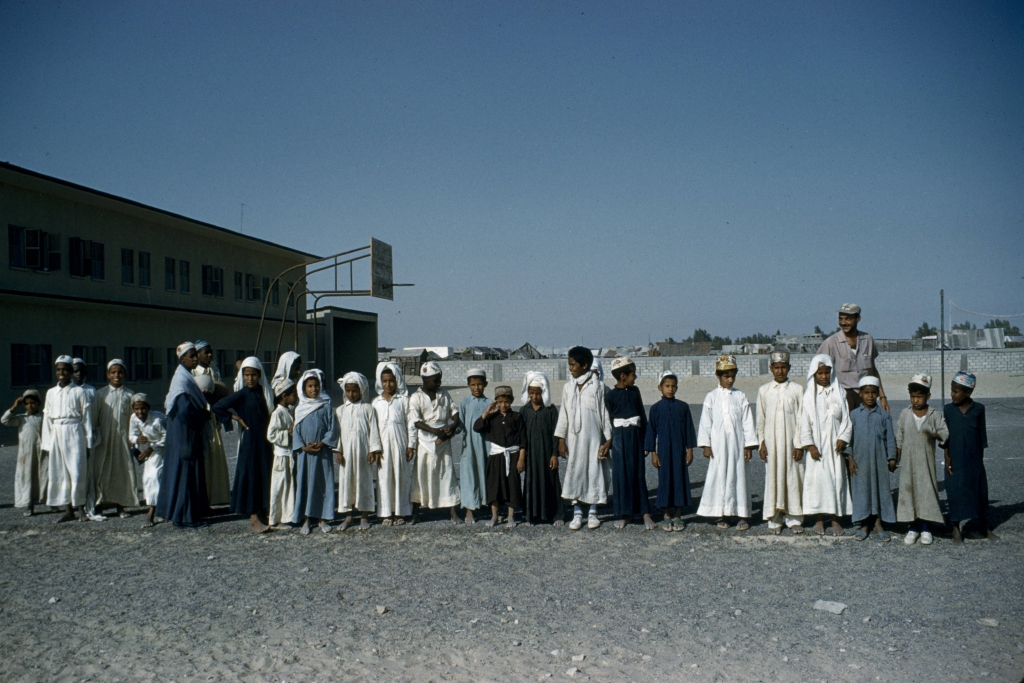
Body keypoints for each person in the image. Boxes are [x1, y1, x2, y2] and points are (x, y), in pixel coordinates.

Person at [696, 355, 757, 530]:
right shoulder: (711, 397)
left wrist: (748, 445)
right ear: (718, 376)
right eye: (726, 376)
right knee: (720, 476)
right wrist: (706, 445)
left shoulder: (740, 396)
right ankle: (722, 514)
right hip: (718, 446)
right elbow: (706, 421)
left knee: (739, 476)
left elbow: (747, 421)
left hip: (738, 445)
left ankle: (742, 514)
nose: (729, 380)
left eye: (732, 376)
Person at [214, 357, 274, 533]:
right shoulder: (241, 394)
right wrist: (236, 418)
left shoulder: (264, 392)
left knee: (263, 475)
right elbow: (219, 406)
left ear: (259, 375)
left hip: (264, 442)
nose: (250, 379)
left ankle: (263, 513)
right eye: (246, 375)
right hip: (249, 443)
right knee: (251, 477)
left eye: (253, 375)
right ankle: (253, 518)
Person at [555, 346, 612, 531]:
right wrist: (561, 439)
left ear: (585, 365)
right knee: (576, 472)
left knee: (594, 472)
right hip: (573, 440)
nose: (570, 368)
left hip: (594, 438)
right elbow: (563, 413)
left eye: (573, 365)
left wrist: (608, 440)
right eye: (569, 365)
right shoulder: (567, 387)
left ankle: (593, 512)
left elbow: (604, 414)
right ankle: (577, 512)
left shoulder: (599, 387)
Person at [157, 343, 211, 528]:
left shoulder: (184, 377)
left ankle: (185, 514)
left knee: (184, 473)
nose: (195, 358)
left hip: (184, 432)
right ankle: (185, 517)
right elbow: (185, 411)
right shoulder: (181, 381)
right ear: (182, 359)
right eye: (191, 355)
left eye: (196, 354)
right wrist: (203, 415)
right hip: (184, 433)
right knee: (185, 473)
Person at [799, 354, 852, 536]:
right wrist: (810, 445)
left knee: (837, 480)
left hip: (835, 447)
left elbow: (846, 420)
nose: (823, 376)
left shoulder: (840, 392)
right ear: (814, 374)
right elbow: (804, 423)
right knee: (818, 483)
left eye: (826, 372)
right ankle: (819, 519)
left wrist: (843, 438)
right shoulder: (808, 397)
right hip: (818, 449)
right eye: (819, 373)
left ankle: (836, 519)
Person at [894, 374, 948, 546]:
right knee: (909, 493)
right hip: (908, 464)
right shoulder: (905, 414)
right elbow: (899, 437)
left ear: (928, 396)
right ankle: (913, 527)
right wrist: (896, 457)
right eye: (913, 396)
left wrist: (935, 435)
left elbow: (944, 433)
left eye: (919, 396)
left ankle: (925, 527)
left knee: (926, 492)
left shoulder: (933, 415)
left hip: (926, 463)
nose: (916, 400)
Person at [756, 349, 805, 535]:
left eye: (783, 367)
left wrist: (799, 443)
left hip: (792, 443)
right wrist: (761, 442)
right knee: (774, 476)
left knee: (793, 477)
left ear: (789, 368)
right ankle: (775, 518)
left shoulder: (797, 390)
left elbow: (801, 419)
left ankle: (794, 518)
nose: (780, 371)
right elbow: (760, 419)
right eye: (776, 367)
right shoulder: (764, 390)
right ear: (771, 368)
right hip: (772, 443)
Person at [943, 372, 995, 544]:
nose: (952, 394)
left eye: (956, 391)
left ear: (968, 393)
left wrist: (979, 462)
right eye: (952, 390)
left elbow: (982, 436)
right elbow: (945, 437)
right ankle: (956, 528)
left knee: (979, 490)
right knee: (955, 490)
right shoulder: (948, 410)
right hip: (955, 458)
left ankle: (984, 528)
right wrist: (947, 457)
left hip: (974, 459)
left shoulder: (979, 409)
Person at [41, 355, 94, 523]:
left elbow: (86, 418)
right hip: (57, 432)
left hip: (74, 432)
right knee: (60, 472)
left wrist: (88, 443)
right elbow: (47, 420)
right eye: (58, 369)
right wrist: (48, 445)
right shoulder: (51, 393)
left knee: (77, 471)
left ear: (71, 371)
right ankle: (67, 509)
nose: (61, 372)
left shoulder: (79, 392)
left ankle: (81, 509)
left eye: (65, 369)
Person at [408, 362, 462, 524]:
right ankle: (416, 513)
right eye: (435, 380)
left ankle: (453, 512)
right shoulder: (416, 397)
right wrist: (435, 432)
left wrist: (451, 427)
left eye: (439, 379)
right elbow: (416, 421)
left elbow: (454, 412)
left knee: (447, 474)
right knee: (421, 475)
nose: (438, 383)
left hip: (443, 440)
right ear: (424, 379)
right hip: (425, 441)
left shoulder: (444, 394)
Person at [606, 357, 654, 530]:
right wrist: (608, 443)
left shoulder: (635, 392)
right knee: (621, 476)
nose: (636, 377)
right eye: (633, 374)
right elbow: (608, 421)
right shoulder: (610, 396)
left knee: (638, 474)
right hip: (619, 439)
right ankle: (624, 514)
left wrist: (646, 442)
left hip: (635, 437)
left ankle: (645, 514)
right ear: (623, 376)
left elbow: (642, 414)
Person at [645, 371, 696, 532]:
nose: (670, 389)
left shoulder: (683, 407)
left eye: (673, 386)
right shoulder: (655, 409)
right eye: (667, 386)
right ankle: (666, 514)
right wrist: (653, 452)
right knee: (665, 480)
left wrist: (690, 450)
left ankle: (678, 514)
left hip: (679, 451)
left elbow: (689, 430)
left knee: (680, 479)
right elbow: (651, 432)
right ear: (660, 387)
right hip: (664, 452)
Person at [848, 376, 897, 541]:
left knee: (879, 490)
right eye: (866, 393)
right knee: (862, 491)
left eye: (873, 393)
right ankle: (864, 524)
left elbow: (890, 438)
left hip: (879, 461)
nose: (870, 396)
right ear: (860, 394)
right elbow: (848, 438)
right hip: (860, 461)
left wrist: (891, 458)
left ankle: (878, 523)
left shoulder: (884, 415)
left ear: (877, 394)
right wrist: (850, 458)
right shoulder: (854, 415)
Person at [817, 303, 889, 412]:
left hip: (866, 397)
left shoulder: (868, 340)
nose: (843, 322)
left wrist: (882, 396)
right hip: (843, 397)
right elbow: (818, 372)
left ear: (858, 319)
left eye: (848, 319)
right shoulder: (830, 343)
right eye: (840, 319)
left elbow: (873, 371)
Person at [335, 371, 383, 531]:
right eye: (348, 391)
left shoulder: (368, 409)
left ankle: (364, 516)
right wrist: (339, 451)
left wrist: (373, 450)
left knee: (364, 482)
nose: (351, 394)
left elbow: (374, 431)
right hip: (347, 454)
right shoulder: (341, 410)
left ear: (361, 390)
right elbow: (339, 433)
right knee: (347, 482)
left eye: (354, 390)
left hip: (363, 453)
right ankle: (349, 516)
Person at [292, 369, 338, 534]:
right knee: (305, 484)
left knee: (322, 484)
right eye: (310, 386)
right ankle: (306, 519)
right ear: (303, 388)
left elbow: (333, 428)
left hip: (322, 452)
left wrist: (322, 442)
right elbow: (296, 431)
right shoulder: (300, 408)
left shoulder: (326, 404)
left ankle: (322, 518)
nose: (313, 389)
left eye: (316, 385)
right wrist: (303, 447)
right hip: (305, 454)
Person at [473, 385, 526, 528]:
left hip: (513, 456)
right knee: (494, 485)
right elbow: (476, 427)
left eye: (507, 401)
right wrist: (486, 413)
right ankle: (495, 516)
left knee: (512, 485)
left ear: (512, 401)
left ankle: (510, 516)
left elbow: (523, 439)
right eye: (500, 402)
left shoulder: (517, 417)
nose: (503, 405)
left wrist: (521, 459)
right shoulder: (491, 417)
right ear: (496, 401)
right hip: (496, 457)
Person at [92, 359, 138, 518]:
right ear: (108, 375)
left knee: (121, 472)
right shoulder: (100, 394)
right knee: (101, 472)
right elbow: (94, 419)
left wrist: (134, 439)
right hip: (103, 440)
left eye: (120, 372)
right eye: (113, 372)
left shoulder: (130, 395)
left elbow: (134, 420)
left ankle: (121, 506)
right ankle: (99, 506)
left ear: (125, 374)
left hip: (122, 440)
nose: (116, 375)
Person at [519, 371, 563, 526]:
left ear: (543, 392)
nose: (534, 397)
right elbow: (521, 435)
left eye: (538, 393)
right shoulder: (524, 411)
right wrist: (522, 457)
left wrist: (554, 454)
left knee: (551, 481)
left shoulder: (550, 410)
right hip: (531, 455)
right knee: (531, 482)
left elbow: (555, 434)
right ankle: (531, 515)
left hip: (547, 454)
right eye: (531, 393)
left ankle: (556, 515)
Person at [372, 362, 414, 526]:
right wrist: (375, 448)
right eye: (384, 381)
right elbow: (373, 427)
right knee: (384, 477)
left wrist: (411, 445)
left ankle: (400, 512)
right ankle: (386, 513)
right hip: (383, 445)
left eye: (391, 381)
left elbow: (410, 423)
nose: (388, 384)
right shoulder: (376, 402)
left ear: (397, 381)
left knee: (401, 476)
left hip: (400, 442)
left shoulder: (403, 400)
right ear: (380, 382)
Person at [192, 340, 231, 508]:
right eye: (205, 352)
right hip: (201, 420)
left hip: (214, 419)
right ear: (197, 354)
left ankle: (217, 496)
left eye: (210, 352)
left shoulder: (214, 371)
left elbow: (220, 393)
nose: (209, 355)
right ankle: (202, 498)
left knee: (215, 454)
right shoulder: (193, 373)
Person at [2, 389, 45, 516]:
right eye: (26, 404)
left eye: (32, 403)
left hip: (42, 453)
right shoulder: (21, 419)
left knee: (43, 477)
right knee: (27, 479)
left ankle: (51, 503)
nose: (29, 406)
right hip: (26, 455)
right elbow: (5, 420)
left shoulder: (43, 417)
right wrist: (14, 406)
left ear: (38, 403)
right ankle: (29, 505)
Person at [72, 357, 103, 521]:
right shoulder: (67, 391)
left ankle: (89, 503)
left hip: (89, 437)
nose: (77, 374)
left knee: (89, 473)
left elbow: (95, 416)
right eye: (74, 371)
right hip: (72, 436)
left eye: (80, 371)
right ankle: (72, 507)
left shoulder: (92, 391)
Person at [129, 392, 165, 528]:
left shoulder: (157, 419)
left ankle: (152, 511)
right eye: (136, 409)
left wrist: (151, 448)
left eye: (142, 408)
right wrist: (137, 439)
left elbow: (167, 437)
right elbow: (131, 435)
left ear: (148, 408)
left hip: (162, 450)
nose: (140, 412)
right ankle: (157, 508)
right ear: (133, 409)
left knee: (155, 477)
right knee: (147, 479)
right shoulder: (134, 418)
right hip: (150, 451)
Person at [459, 368, 490, 523]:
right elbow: (460, 423)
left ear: (485, 384)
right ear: (468, 385)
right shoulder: (464, 402)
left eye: (479, 384)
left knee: (486, 473)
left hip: (486, 444)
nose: (476, 388)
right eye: (473, 385)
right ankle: (469, 509)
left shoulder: (490, 403)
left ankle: (487, 504)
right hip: (469, 445)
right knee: (469, 474)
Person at [266, 378, 298, 529]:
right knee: (279, 487)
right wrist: (288, 432)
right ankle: (276, 519)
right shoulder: (277, 413)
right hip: (281, 456)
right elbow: (271, 435)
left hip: (289, 455)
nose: (296, 397)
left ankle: (288, 516)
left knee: (288, 487)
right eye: (293, 395)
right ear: (284, 396)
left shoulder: (288, 411)